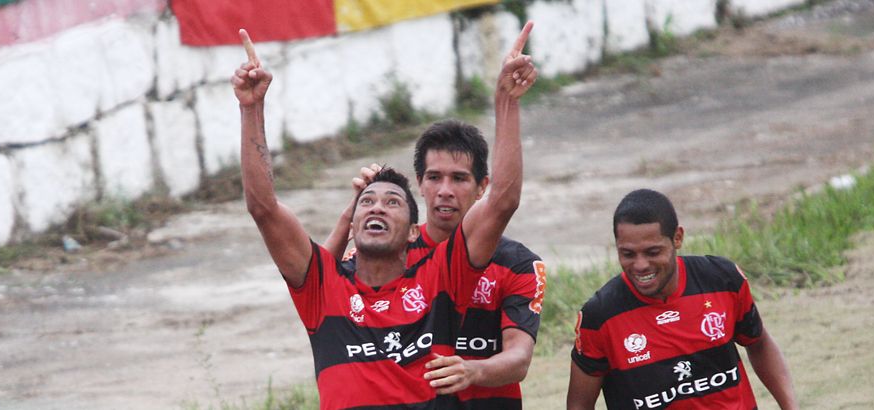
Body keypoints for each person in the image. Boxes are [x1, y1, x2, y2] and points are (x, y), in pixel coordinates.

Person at [232, 21, 537, 409]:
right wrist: (251, 107)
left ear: (413, 232)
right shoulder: (323, 288)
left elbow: (501, 202)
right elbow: (263, 207)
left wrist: (507, 100)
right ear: (352, 221)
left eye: (393, 202)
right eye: (367, 201)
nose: (377, 206)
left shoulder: (440, 276)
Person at [330, 120, 545, 410]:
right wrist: (356, 208)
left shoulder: (517, 263)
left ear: (482, 187)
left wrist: (474, 371)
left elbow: (519, 359)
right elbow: (316, 285)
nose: (445, 190)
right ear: (419, 183)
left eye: (459, 178)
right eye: (434, 177)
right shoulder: (388, 254)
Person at [567, 189, 797, 410]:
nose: (640, 265)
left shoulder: (722, 279)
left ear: (677, 238)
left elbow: (759, 343)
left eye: (653, 252)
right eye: (627, 254)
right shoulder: (600, 316)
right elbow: (579, 404)